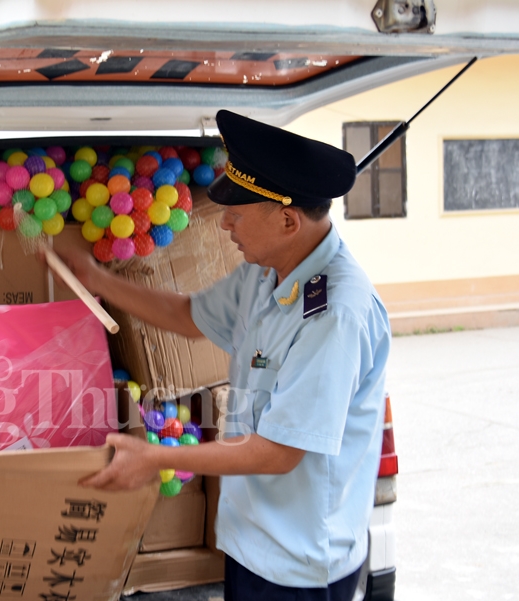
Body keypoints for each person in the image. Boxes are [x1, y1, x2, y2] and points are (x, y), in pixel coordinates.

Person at [59, 110, 391, 601]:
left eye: (237, 210)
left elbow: (277, 452)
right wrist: (100, 281)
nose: (224, 224)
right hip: (250, 542)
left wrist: (154, 458)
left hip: (298, 567)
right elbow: (191, 317)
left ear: (286, 219)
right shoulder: (269, 269)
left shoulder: (332, 314)